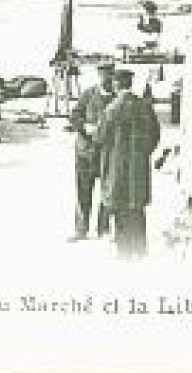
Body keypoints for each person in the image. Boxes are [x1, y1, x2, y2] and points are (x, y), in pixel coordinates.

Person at [96, 68, 161, 260]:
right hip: (138, 169)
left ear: (116, 85)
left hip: (117, 170)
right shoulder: (144, 107)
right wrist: (143, 153)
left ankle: (123, 256)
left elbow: (99, 137)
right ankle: (140, 253)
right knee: (137, 211)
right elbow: (155, 135)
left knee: (120, 212)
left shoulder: (111, 110)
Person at [68, 62, 117, 242]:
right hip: (85, 153)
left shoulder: (117, 98)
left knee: (107, 192)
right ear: (99, 75)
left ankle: (103, 229)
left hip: (107, 154)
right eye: (104, 75)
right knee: (83, 192)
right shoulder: (88, 94)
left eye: (111, 75)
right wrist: (83, 127)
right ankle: (81, 230)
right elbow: (74, 116)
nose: (108, 78)